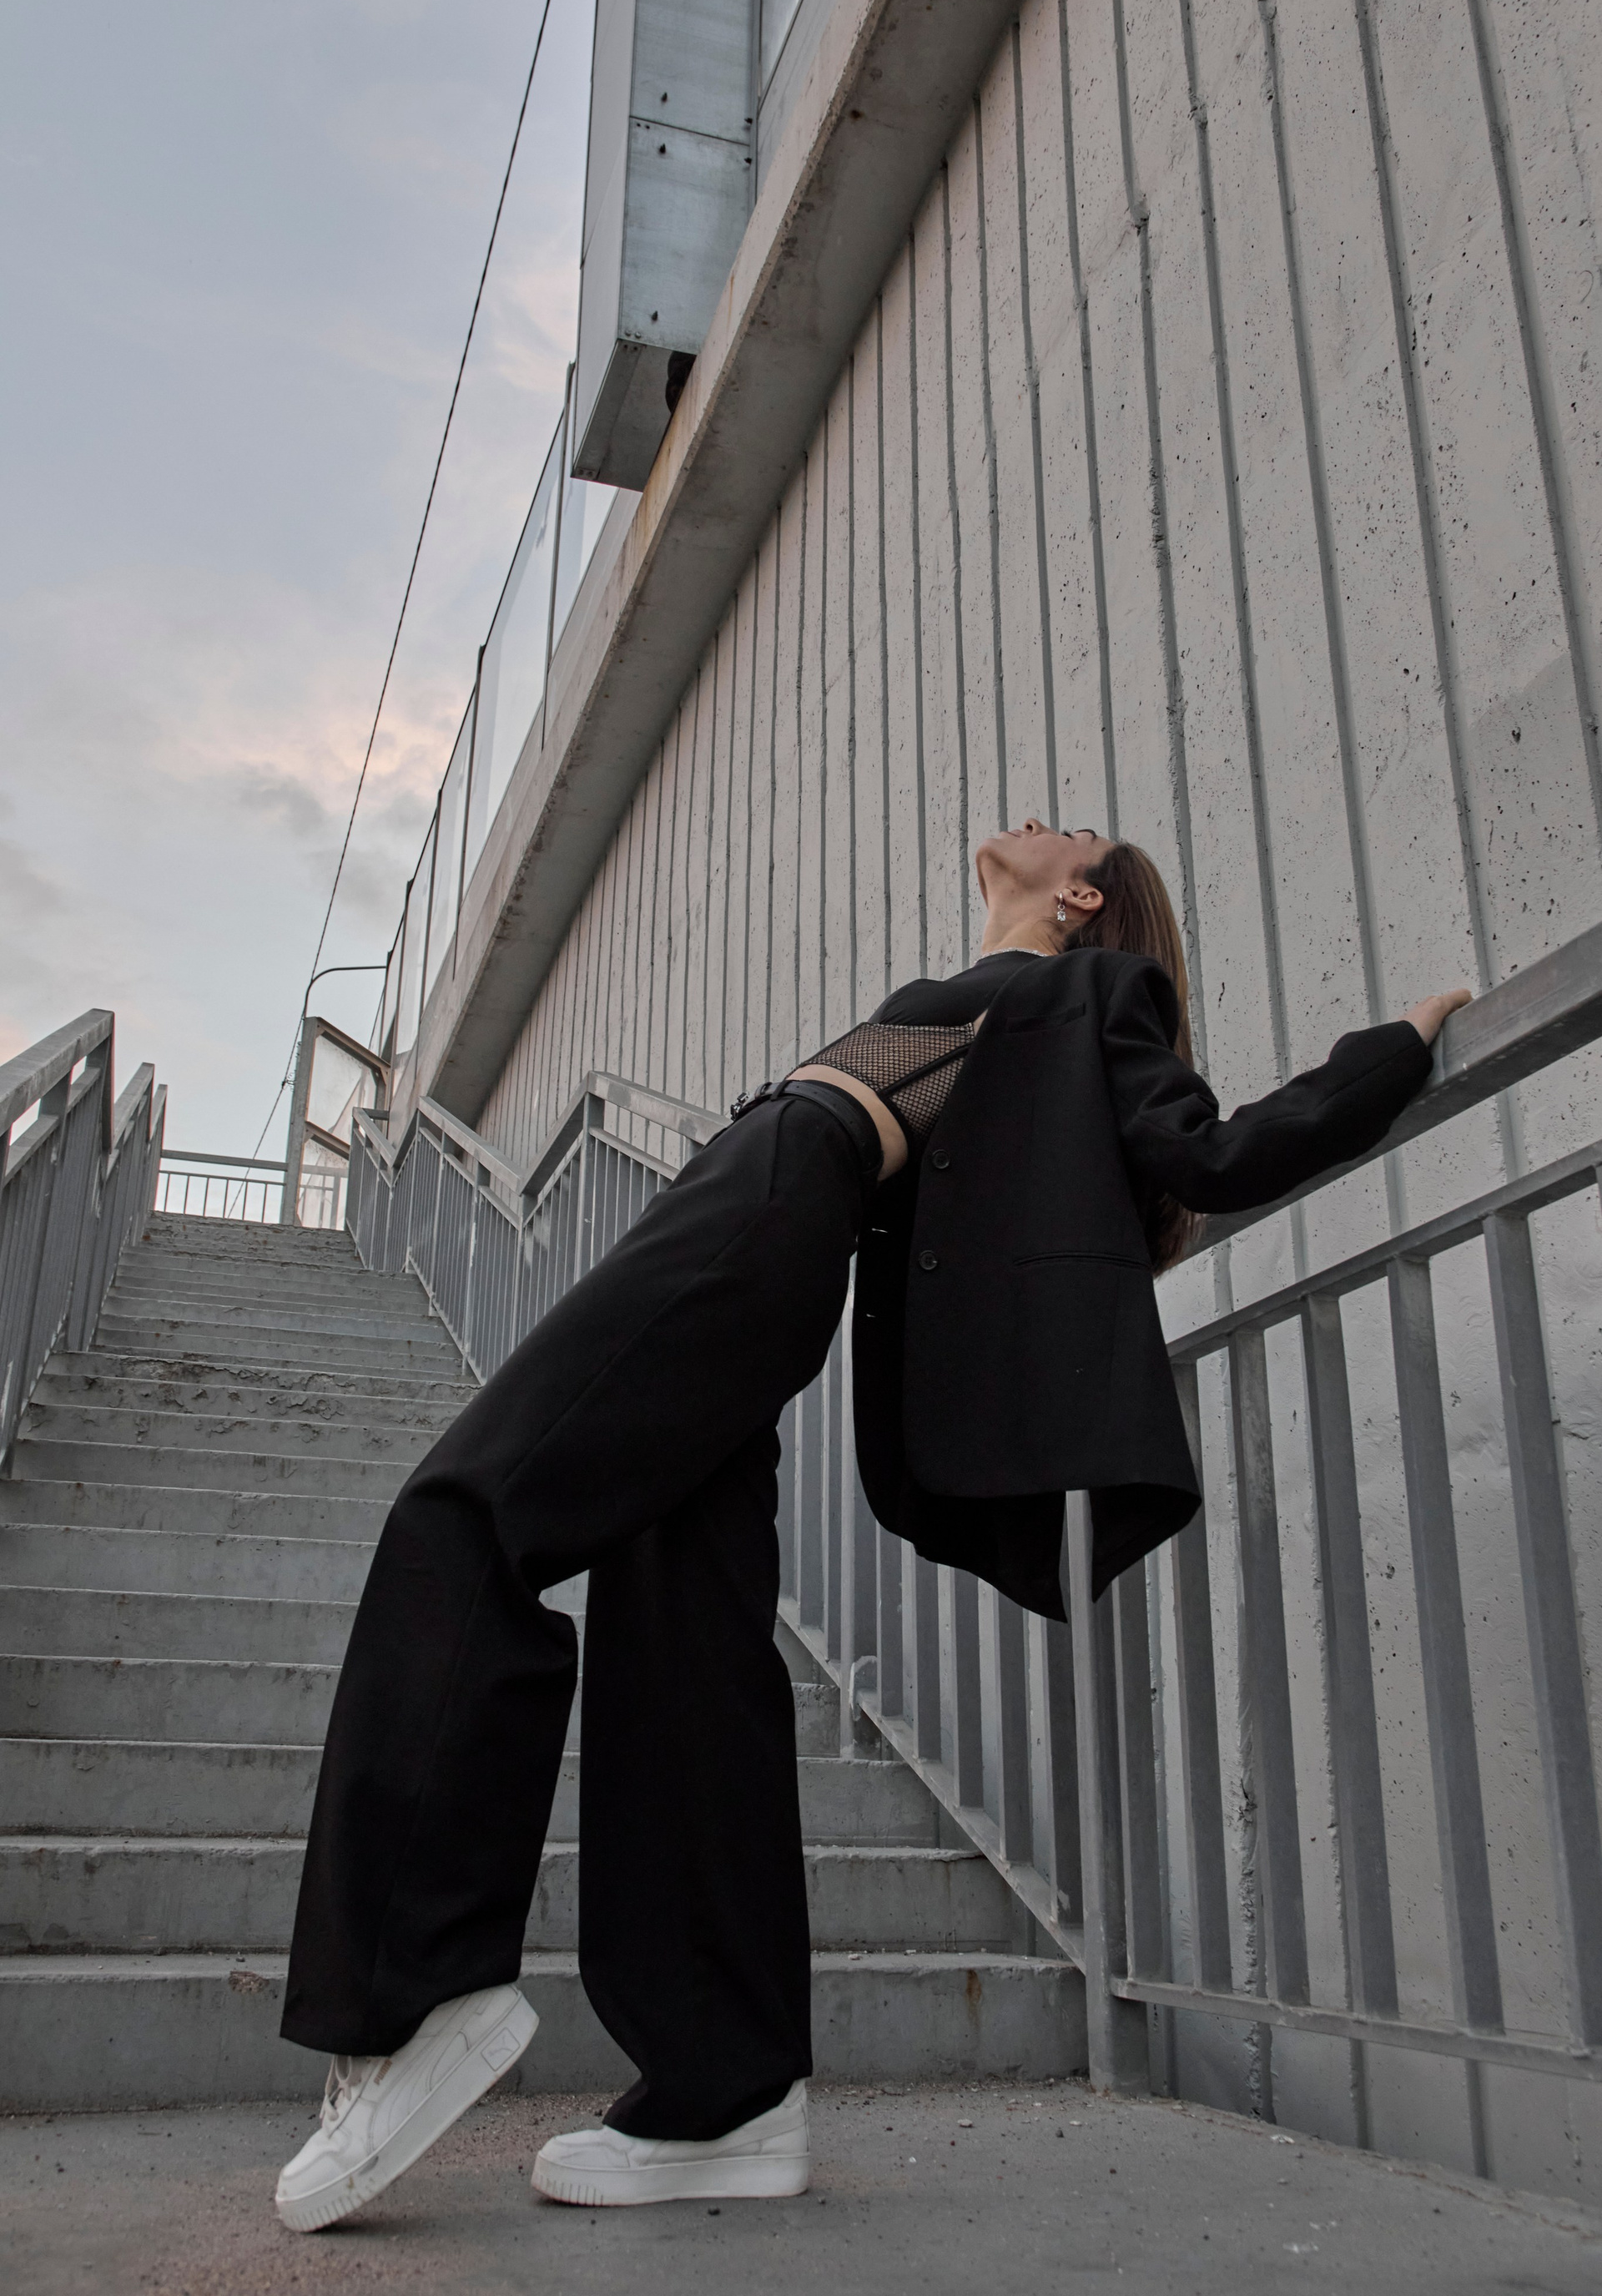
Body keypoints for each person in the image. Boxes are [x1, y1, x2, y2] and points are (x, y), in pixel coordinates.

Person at [274, 820, 1468, 2231]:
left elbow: (1209, 1153)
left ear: (1081, 894)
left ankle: (411, 1998)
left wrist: (1394, 1047)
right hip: (769, 1203)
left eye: (1067, 831)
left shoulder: (1100, 989)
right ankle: (725, 2091)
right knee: (682, 1619)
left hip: (778, 1200)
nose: (1032, 821)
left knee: (468, 1512)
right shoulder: (977, 1000)